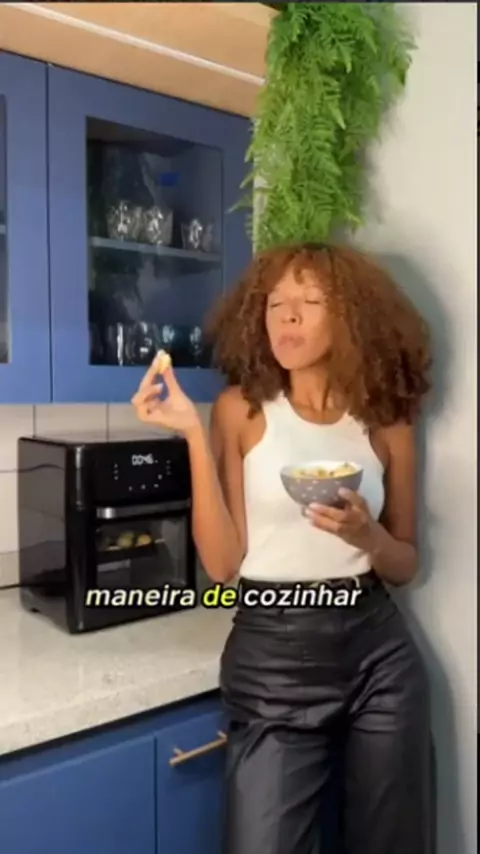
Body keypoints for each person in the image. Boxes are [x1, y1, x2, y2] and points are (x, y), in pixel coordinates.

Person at [131, 242, 432, 854]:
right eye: (275, 303)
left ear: (352, 316)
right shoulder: (240, 411)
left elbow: (405, 563)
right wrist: (192, 435)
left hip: (378, 653)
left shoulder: (388, 419)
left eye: (310, 301)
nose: (287, 316)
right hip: (272, 655)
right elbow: (223, 565)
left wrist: (367, 536)